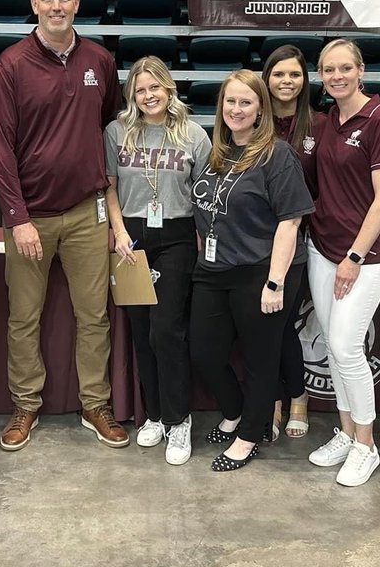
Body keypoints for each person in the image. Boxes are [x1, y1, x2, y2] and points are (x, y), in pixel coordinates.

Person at [0, 0, 127, 451]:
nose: (56, 7)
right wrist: (17, 218)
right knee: (24, 316)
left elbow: (107, 126)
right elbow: (0, 149)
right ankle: (25, 405)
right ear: (33, 4)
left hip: (89, 212)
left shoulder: (100, 60)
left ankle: (95, 403)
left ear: (77, 3)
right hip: (32, 218)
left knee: (95, 316)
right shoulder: (10, 66)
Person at [190, 70, 314, 472]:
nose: (236, 109)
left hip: (262, 270)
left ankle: (248, 435)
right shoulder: (216, 152)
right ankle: (235, 410)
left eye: (246, 102)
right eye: (230, 101)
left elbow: (290, 221)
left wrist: (275, 282)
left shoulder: (277, 155)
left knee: (261, 359)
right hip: (214, 267)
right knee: (204, 352)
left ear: (260, 108)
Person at [104, 56, 212, 466]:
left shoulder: (194, 135)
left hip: (177, 236)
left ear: (170, 89)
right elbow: (109, 189)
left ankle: (179, 419)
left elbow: (203, 196)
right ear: (132, 94)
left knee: (167, 330)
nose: (149, 95)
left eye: (156, 87)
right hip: (131, 236)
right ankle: (153, 415)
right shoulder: (116, 132)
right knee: (141, 330)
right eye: (141, 89)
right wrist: (118, 233)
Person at [303, 39, 380, 486]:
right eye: (328, 70)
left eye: (345, 68)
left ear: (361, 70)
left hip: (361, 258)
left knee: (346, 348)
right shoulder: (327, 122)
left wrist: (355, 256)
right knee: (334, 345)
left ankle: (366, 444)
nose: (336, 76)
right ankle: (345, 433)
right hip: (320, 248)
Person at [262, 43, 318, 440]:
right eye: (279, 74)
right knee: (265, 327)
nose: (286, 81)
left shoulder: (319, 125)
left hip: (302, 240)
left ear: (305, 80)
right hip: (256, 240)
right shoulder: (252, 121)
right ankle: (276, 398)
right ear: (266, 79)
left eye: (294, 74)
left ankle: (294, 398)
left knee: (282, 325)